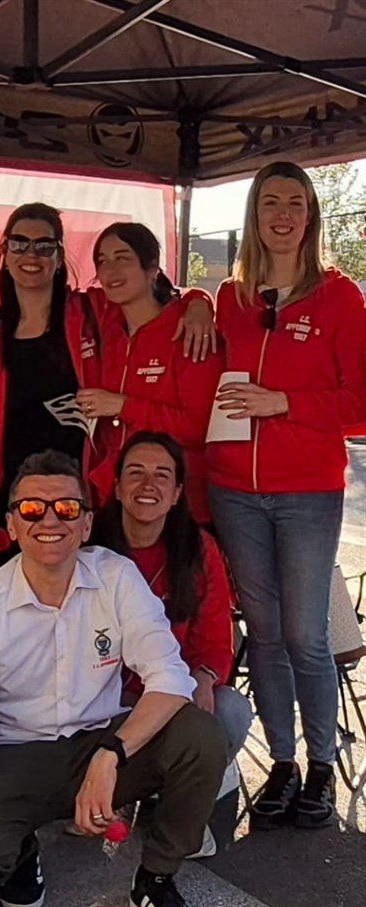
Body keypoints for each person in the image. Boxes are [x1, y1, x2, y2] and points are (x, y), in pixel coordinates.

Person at [0, 450, 227, 907]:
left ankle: (157, 880)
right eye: (32, 509)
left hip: (97, 740)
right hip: (13, 755)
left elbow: (170, 677)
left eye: (66, 508)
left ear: (86, 524)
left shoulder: (116, 576)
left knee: (201, 734)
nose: (50, 520)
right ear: (12, 525)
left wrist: (111, 753)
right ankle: (20, 848)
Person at [207, 161, 366, 830]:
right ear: (254, 214)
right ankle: (282, 762)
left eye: (295, 203)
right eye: (270, 201)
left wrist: (284, 403)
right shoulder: (229, 297)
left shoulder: (340, 297)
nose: (282, 214)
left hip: (306, 492)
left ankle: (321, 764)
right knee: (265, 635)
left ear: (310, 215)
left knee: (305, 635)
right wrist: (192, 304)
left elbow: (360, 404)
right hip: (233, 492)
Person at [94, 431, 253, 855]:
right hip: (104, 697)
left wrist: (203, 678)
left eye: (162, 475)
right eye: (136, 473)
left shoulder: (199, 548)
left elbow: (214, 636)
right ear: (117, 487)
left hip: (174, 692)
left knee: (231, 710)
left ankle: (174, 805)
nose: (148, 485)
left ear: (178, 493)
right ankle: (109, 789)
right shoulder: (91, 545)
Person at [0, 203, 101, 565]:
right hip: (14, 503)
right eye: (19, 244)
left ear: (60, 257)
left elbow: (153, 296)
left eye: (44, 246)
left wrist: (195, 303)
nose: (31, 255)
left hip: (85, 498)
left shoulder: (91, 313)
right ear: (5, 254)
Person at [78, 222, 222, 523]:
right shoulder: (106, 323)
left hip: (177, 508)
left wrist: (123, 406)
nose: (111, 270)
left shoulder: (188, 331)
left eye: (123, 258)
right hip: (114, 500)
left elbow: (199, 427)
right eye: (102, 261)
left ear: (152, 268)